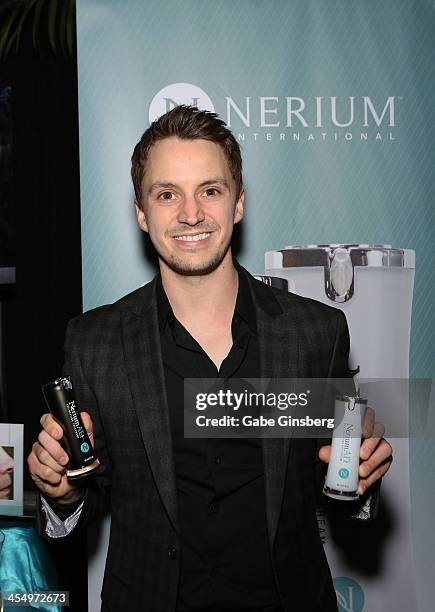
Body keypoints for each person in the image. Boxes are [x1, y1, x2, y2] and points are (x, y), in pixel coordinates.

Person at [27, 105, 392, 612]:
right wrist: (62, 494)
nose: (190, 214)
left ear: (238, 204)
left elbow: (336, 479)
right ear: (141, 211)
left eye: (210, 191)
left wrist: (361, 479)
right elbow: (83, 497)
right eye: (167, 194)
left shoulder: (316, 332)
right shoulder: (95, 342)